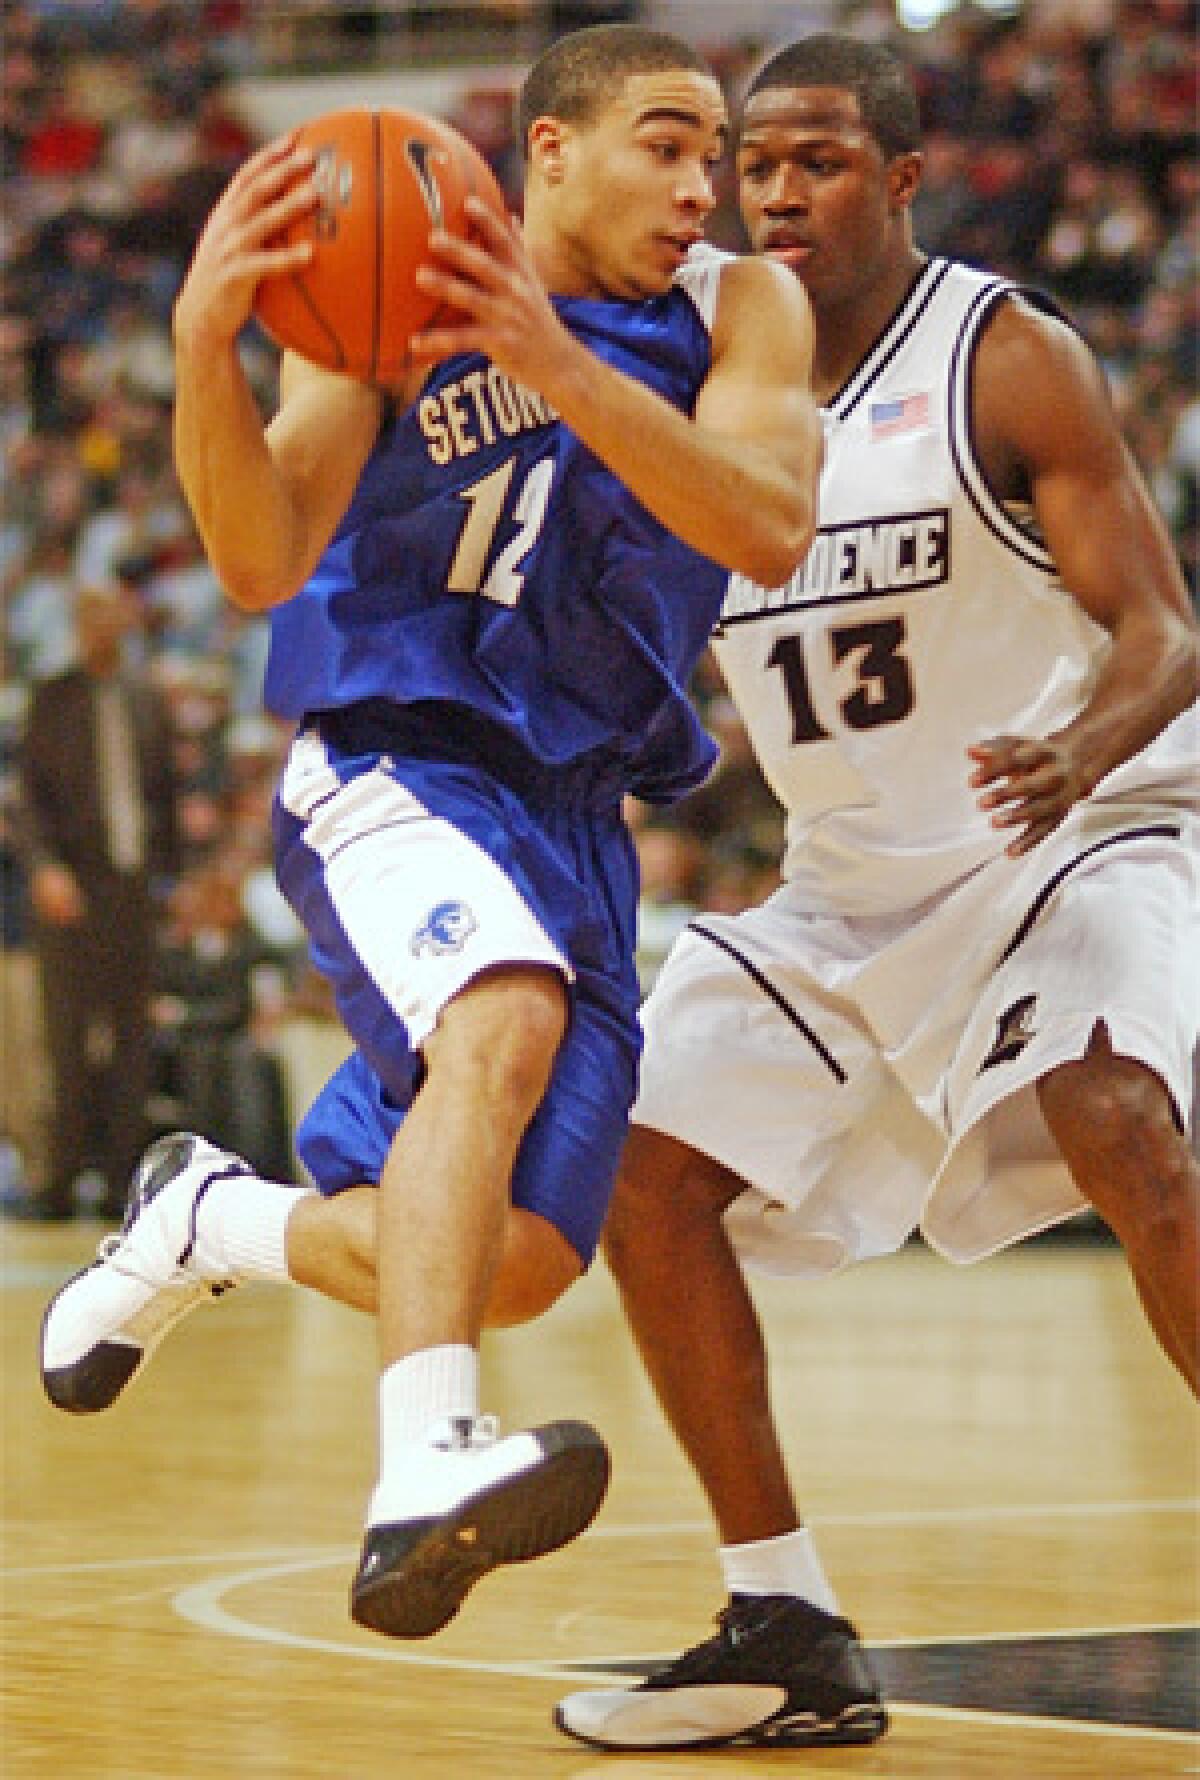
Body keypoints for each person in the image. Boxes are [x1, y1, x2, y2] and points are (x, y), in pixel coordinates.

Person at [40, 24, 821, 1646]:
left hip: (576, 814)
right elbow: (259, 556)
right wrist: (204, 348)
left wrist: (555, 362)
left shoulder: (742, 311)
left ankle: (212, 1219)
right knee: (501, 1010)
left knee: (520, 1263)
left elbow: (764, 519)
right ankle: (423, 1467)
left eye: (716, 156)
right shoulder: (386, 303)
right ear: (549, 150)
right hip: (396, 754)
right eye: (666, 144)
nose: (703, 185)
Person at [553, 33, 1199, 1751]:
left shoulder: (1005, 355)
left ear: (903, 177)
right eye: (755, 161)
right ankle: (783, 1624)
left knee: (1118, 1115)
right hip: (846, 890)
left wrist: (1080, 750)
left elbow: (1165, 631)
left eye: (820, 160)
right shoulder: (700, 379)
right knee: (645, 1169)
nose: (774, 191)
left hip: (1074, 831)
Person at [10, 580, 179, 1221]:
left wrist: (172, 877)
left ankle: (119, 1184)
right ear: (78, 623)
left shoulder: (146, 698)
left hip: (133, 888)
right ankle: (58, 1182)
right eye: (91, 615)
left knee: (133, 1037)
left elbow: (164, 791)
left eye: (111, 614)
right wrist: (46, 869)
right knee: (68, 1039)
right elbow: (27, 799)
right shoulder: (52, 697)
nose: (102, 626)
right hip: (69, 891)